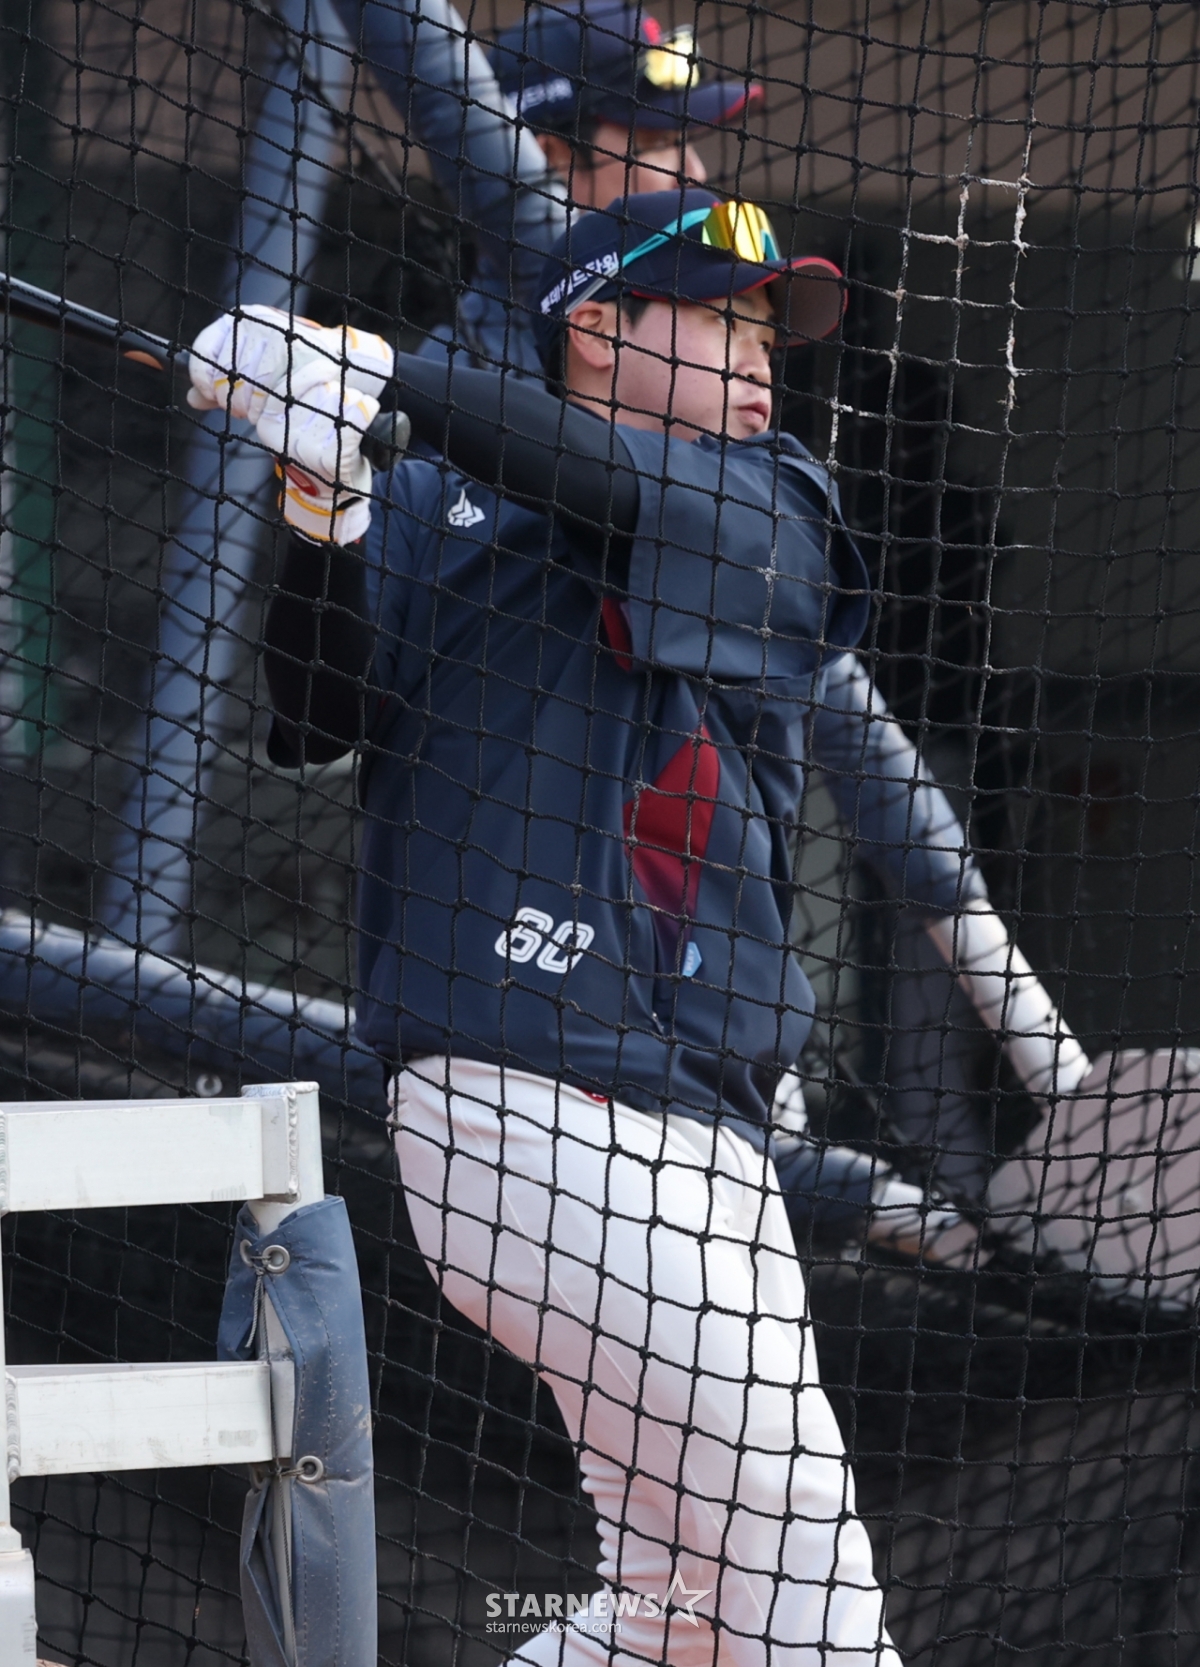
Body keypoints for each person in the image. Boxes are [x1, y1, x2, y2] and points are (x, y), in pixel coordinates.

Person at [190, 188, 904, 1663]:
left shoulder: (774, 496)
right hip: (526, 1103)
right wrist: (325, 510)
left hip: (715, 1136)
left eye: (767, 327)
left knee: (677, 1612)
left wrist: (374, 376)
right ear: (595, 328)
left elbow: (598, 482)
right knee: (807, 1584)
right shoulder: (437, 498)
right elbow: (319, 708)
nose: (760, 353)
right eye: (718, 317)